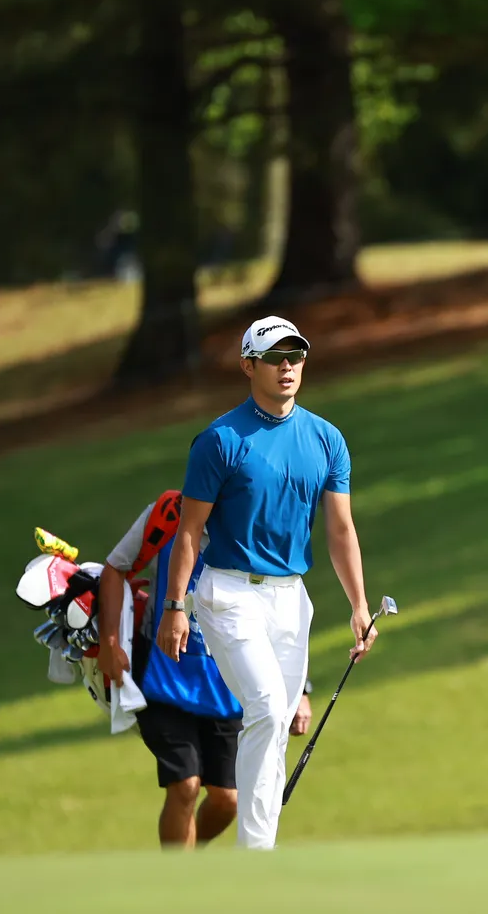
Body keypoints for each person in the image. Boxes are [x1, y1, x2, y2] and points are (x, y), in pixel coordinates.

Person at [156, 315, 377, 851]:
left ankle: (263, 854)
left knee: (276, 725)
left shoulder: (326, 439)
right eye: (275, 357)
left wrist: (359, 605)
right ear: (248, 366)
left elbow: (341, 529)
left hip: (290, 598)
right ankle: (256, 857)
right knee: (267, 707)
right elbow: (189, 532)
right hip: (229, 593)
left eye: (295, 356)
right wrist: (175, 605)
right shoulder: (220, 440)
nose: (287, 366)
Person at [95, 489, 314, 850]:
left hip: (229, 686)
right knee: (185, 785)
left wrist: (300, 690)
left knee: (229, 800)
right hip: (163, 678)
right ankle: (180, 877)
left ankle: (190, 866)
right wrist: (110, 642)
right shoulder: (167, 513)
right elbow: (115, 568)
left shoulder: (257, 527)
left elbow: (279, 607)